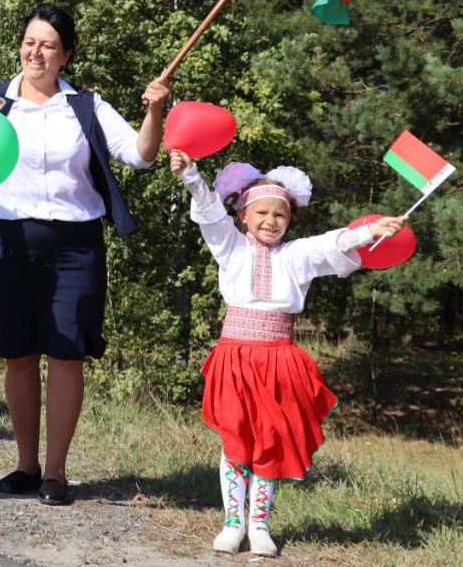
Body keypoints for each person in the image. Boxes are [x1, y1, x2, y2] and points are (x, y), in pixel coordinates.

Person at [0, 3, 170, 506]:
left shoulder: (86, 106)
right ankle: (26, 466)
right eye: (29, 42)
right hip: (10, 241)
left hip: (76, 245)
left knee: (66, 354)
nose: (36, 53)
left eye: (48, 45)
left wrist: (154, 110)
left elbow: (140, 156)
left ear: (66, 55)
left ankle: (55, 472)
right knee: (18, 354)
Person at [170, 150, 405, 556]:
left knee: (269, 441)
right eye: (261, 213)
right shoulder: (230, 247)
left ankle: (259, 524)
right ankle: (233, 523)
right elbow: (209, 213)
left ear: (290, 218)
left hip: (278, 360)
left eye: (279, 214)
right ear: (243, 215)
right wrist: (191, 175)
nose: (270, 221)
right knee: (235, 439)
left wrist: (370, 231)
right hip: (235, 359)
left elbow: (331, 243)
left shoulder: (295, 256)